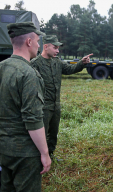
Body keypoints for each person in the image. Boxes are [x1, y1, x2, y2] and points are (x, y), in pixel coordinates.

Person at [0, 22, 51, 191]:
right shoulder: (29, 74)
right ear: (29, 42)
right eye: (37, 41)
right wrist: (44, 153)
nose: (38, 45)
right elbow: (33, 120)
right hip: (24, 153)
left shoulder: (2, 67)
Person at [31, 35, 92, 160]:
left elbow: (70, 69)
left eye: (58, 48)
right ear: (46, 46)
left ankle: (50, 155)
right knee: (40, 134)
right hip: (42, 107)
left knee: (53, 133)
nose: (57, 51)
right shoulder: (35, 64)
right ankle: (37, 159)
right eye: (55, 48)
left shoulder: (57, 62)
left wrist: (82, 63)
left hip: (55, 105)